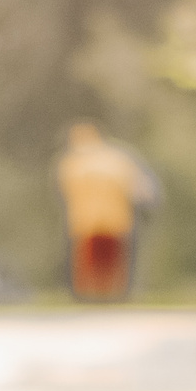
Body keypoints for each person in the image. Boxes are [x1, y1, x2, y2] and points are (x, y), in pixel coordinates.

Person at [57, 121, 159, 301]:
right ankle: (111, 296)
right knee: (108, 265)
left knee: (94, 266)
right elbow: (141, 189)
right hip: (109, 221)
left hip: (91, 222)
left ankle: (93, 297)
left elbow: (63, 190)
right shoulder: (116, 159)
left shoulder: (73, 163)